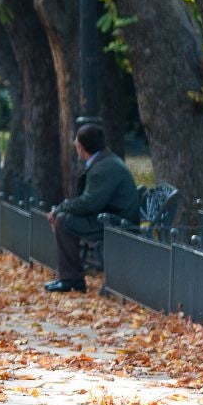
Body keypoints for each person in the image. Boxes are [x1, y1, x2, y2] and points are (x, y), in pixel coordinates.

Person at [44, 122, 139, 294]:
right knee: (64, 218)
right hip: (111, 216)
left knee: (63, 221)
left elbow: (89, 203)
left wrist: (60, 209)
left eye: (76, 144)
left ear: (81, 147)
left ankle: (71, 279)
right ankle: (70, 277)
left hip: (114, 222)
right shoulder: (105, 161)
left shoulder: (102, 169)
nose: (75, 146)